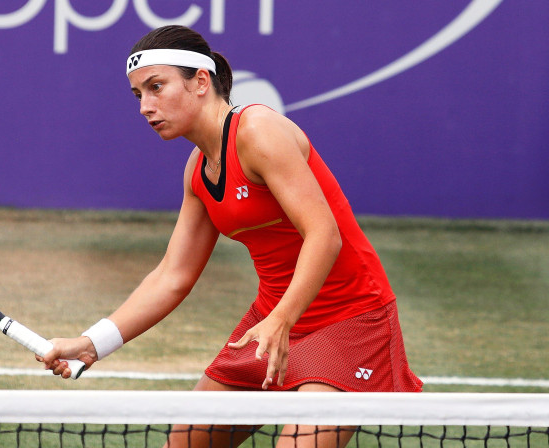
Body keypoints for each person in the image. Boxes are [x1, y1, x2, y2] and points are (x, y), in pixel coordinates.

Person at [39, 25, 422, 448]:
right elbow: (173, 275)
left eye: (156, 87)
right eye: (138, 95)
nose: (145, 107)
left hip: (348, 319)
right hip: (271, 321)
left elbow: (323, 235)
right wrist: (93, 343)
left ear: (200, 81)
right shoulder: (198, 171)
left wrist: (283, 317)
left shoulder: (258, 130)